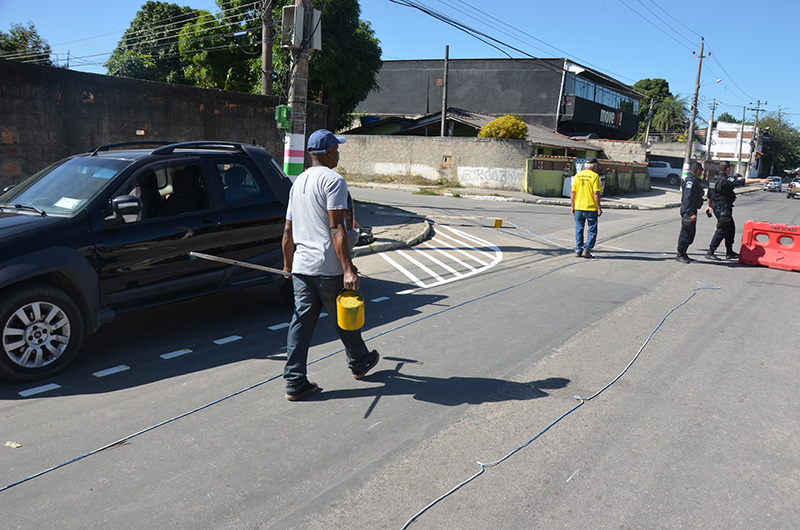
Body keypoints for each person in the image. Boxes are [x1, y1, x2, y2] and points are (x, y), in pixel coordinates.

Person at [281, 129, 380, 401]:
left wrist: (288, 265)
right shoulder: (334, 181)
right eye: (336, 149)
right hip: (326, 267)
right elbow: (337, 227)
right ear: (326, 152)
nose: (338, 153)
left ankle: (294, 381)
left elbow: (288, 232)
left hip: (302, 266)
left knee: (301, 324)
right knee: (343, 316)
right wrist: (348, 268)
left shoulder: (297, 182)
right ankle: (359, 361)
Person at [704, 161, 768, 260]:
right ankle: (710, 251)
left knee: (730, 229)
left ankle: (729, 252)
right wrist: (760, 180)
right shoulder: (725, 180)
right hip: (723, 208)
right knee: (722, 230)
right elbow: (743, 181)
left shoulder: (713, 179)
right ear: (728, 169)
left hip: (717, 207)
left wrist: (709, 206)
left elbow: (709, 195)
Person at [571, 157, 603, 258]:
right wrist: (599, 208)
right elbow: (596, 193)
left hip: (578, 207)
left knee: (579, 228)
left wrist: (573, 206)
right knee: (592, 230)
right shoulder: (595, 176)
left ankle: (578, 249)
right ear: (594, 166)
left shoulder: (578, 175)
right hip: (590, 207)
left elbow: (573, 192)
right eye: (596, 165)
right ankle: (587, 249)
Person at [675, 161, 706, 264]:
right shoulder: (690, 181)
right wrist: (690, 212)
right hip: (689, 210)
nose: (702, 172)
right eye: (701, 170)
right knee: (685, 233)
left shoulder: (695, 180)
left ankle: (684, 253)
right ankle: (680, 254)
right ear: (698, 170)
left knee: (690, 234)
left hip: (692, 209)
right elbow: (687, 198)